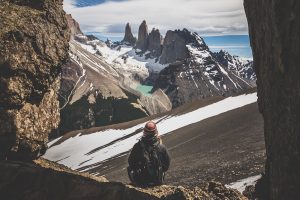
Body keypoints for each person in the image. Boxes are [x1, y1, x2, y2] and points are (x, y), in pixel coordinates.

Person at [127, 121, 170, 187]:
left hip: (142, 182)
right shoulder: (162, 147)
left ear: (144, 132)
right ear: (155, 132)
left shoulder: (138, 146)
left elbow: (131, 161)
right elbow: (166, 165)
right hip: (157, 181)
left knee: (129, 168)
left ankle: (137, 184)